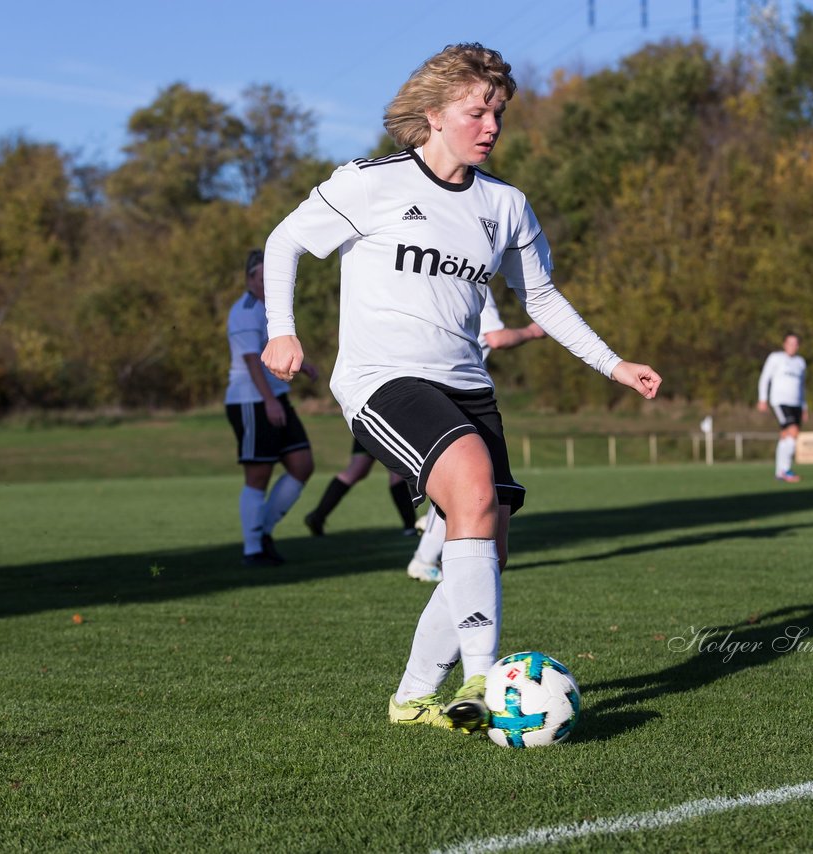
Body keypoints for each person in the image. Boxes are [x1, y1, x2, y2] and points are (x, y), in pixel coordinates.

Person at [260, 43, 660, 735]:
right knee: (472, 492)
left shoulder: (506, 205)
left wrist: (614, 364)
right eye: (478, 111)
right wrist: (281, 329)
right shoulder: (370, 182)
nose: (492, 126)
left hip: (468, 386)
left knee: (488, 542)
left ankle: (414, 697)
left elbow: (542, 299)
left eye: (499, 112)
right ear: (435, 112)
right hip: (381, 379)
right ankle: (485, 678)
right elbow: (284, 242)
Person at [305, 287, 544, 544]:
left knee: (387, 472)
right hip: (410, 394)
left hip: (425, 392)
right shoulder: (469, 280)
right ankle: (420, 546)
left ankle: (410, 532)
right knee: (457, 482)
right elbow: (496, 337)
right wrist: (532, 331)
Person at [404, 288, 545, 582]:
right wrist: (533, 331)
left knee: (462, 485)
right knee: (467, 485)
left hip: (432, 387)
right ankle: (425, 558)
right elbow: (495, 337)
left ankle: (432, 555)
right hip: (456, 389)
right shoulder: (474, 275)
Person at [225, 249, 316, 567]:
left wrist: (303, 368)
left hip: (274, 397)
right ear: (250, 278)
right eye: (261, 278)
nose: (266, 284)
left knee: (302, 464)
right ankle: (253, 550)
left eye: (270, 278)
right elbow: (251, 360)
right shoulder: (245, 310)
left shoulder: (269, 310)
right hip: (252, 401)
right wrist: (269, 401)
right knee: (259, 474)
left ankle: (262, 532)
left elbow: (271, 349)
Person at [757, 331, 807, 483]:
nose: (792, 346)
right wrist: (762, 398)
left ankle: (780, 472)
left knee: (786, 436)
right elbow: (765, 377)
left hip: (796, 403)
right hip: (780, 401)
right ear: (784, 344)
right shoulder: (776, 358)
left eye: (795, 343)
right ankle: (786, 470)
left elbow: (802, 386)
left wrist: (805, 406)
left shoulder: (800, 362)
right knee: (793, 432)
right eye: (790, 343)